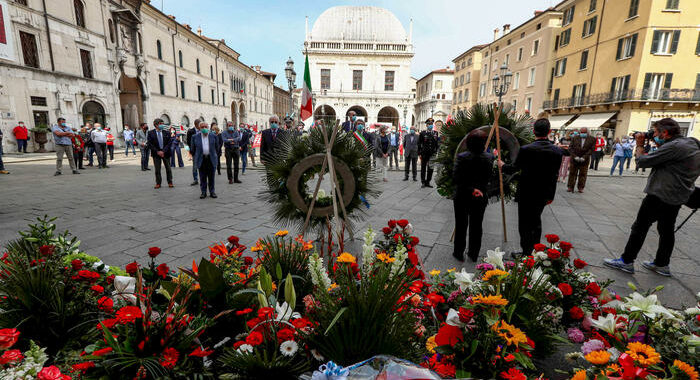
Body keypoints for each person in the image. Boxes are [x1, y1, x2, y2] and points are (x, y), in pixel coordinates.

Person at [604, 118, 700, 276]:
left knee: (640, 227)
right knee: (666, 231)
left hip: (660, 195)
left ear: (665, 133)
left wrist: (640, 144)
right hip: (677, 195)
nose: (653, 135)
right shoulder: (691, 144)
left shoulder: (674, 147)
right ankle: (662, 264)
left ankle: (626, 261)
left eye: (655, 132)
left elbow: (642, 161)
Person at [504, 119, 565, 257]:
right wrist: (551, 195)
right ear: (549, 132)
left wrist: (502, 165)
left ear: (533, 131)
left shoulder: (526, 149)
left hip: (526, 192)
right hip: (544, 193)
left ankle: (526, 252)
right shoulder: (557, 151)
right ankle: (535, 251)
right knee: (536, 220)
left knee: (525, 223)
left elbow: (514, 168)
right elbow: (554, 175)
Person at [452, 129, 494, 262]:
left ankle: (459, 252)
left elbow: (456, 178)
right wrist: (478, 189)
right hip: (480, 196)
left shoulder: (462, 157)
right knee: (477, 225)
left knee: (461, 224)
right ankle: (473, 253)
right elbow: (489, 178)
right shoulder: (489, 158)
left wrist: (471, 189)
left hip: (463, 195)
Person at [191, 122, 219, 199]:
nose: (204, 128)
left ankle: (212, 192)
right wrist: (196, 157)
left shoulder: (213, 136)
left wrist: (215, 155)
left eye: (205, 127)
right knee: (202, 177)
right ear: (199, 128)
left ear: (208, 127)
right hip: (201, 159)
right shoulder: (195, 137)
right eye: (202, 127)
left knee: (211, 177)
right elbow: (192, 149)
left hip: (211, 159)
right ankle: (203, 192)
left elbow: (217, 147)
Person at [147, 118, 173, 189]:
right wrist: (157, 151)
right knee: (157, 169)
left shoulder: (167, 132)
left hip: (166, 153)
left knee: (168, 168)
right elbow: (150, 144)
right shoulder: (151, 133)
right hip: (156, 153)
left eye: (162, 123)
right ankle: (158, 183)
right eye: (160, 124)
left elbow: (169, 143)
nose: (162, 125)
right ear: (156, 125)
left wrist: (163, 151)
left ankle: (170, 182)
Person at [567, 127, 595, 193]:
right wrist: (575, 156)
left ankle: (580, 187)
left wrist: (584, 157)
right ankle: (570, 187)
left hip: (585, 160)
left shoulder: (592, 139)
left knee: (583, 174)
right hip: (574, 159)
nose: (583, 134)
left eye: (584, 132)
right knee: (572, 173)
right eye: (581, 132)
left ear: (587, 133)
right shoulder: (575, 138)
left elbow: (591, 149)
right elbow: (570, 148)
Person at [418, 118, 440, 188]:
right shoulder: (423, 133)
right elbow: (419, 143)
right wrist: (419, 153)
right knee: (423, 168)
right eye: (429, 124)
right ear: (427, 125)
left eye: (431, 124)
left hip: (432, 153)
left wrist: (436, 151)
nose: (430, 125)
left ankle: (428, 182)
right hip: (424, 153)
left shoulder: (435, 133)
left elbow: (437, 144)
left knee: (431, 168)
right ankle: (423, 182)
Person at [186, 119, 201, 186]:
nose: (200, 126)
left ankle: (203, 178)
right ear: (196, 124)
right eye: (199, 125)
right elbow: (189, 142)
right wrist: (191, 151)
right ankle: (195, 179)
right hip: (195, 151)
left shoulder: (202, 130)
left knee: (202, 166)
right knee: (195, 166)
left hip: (202, 151)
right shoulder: (191, 131)